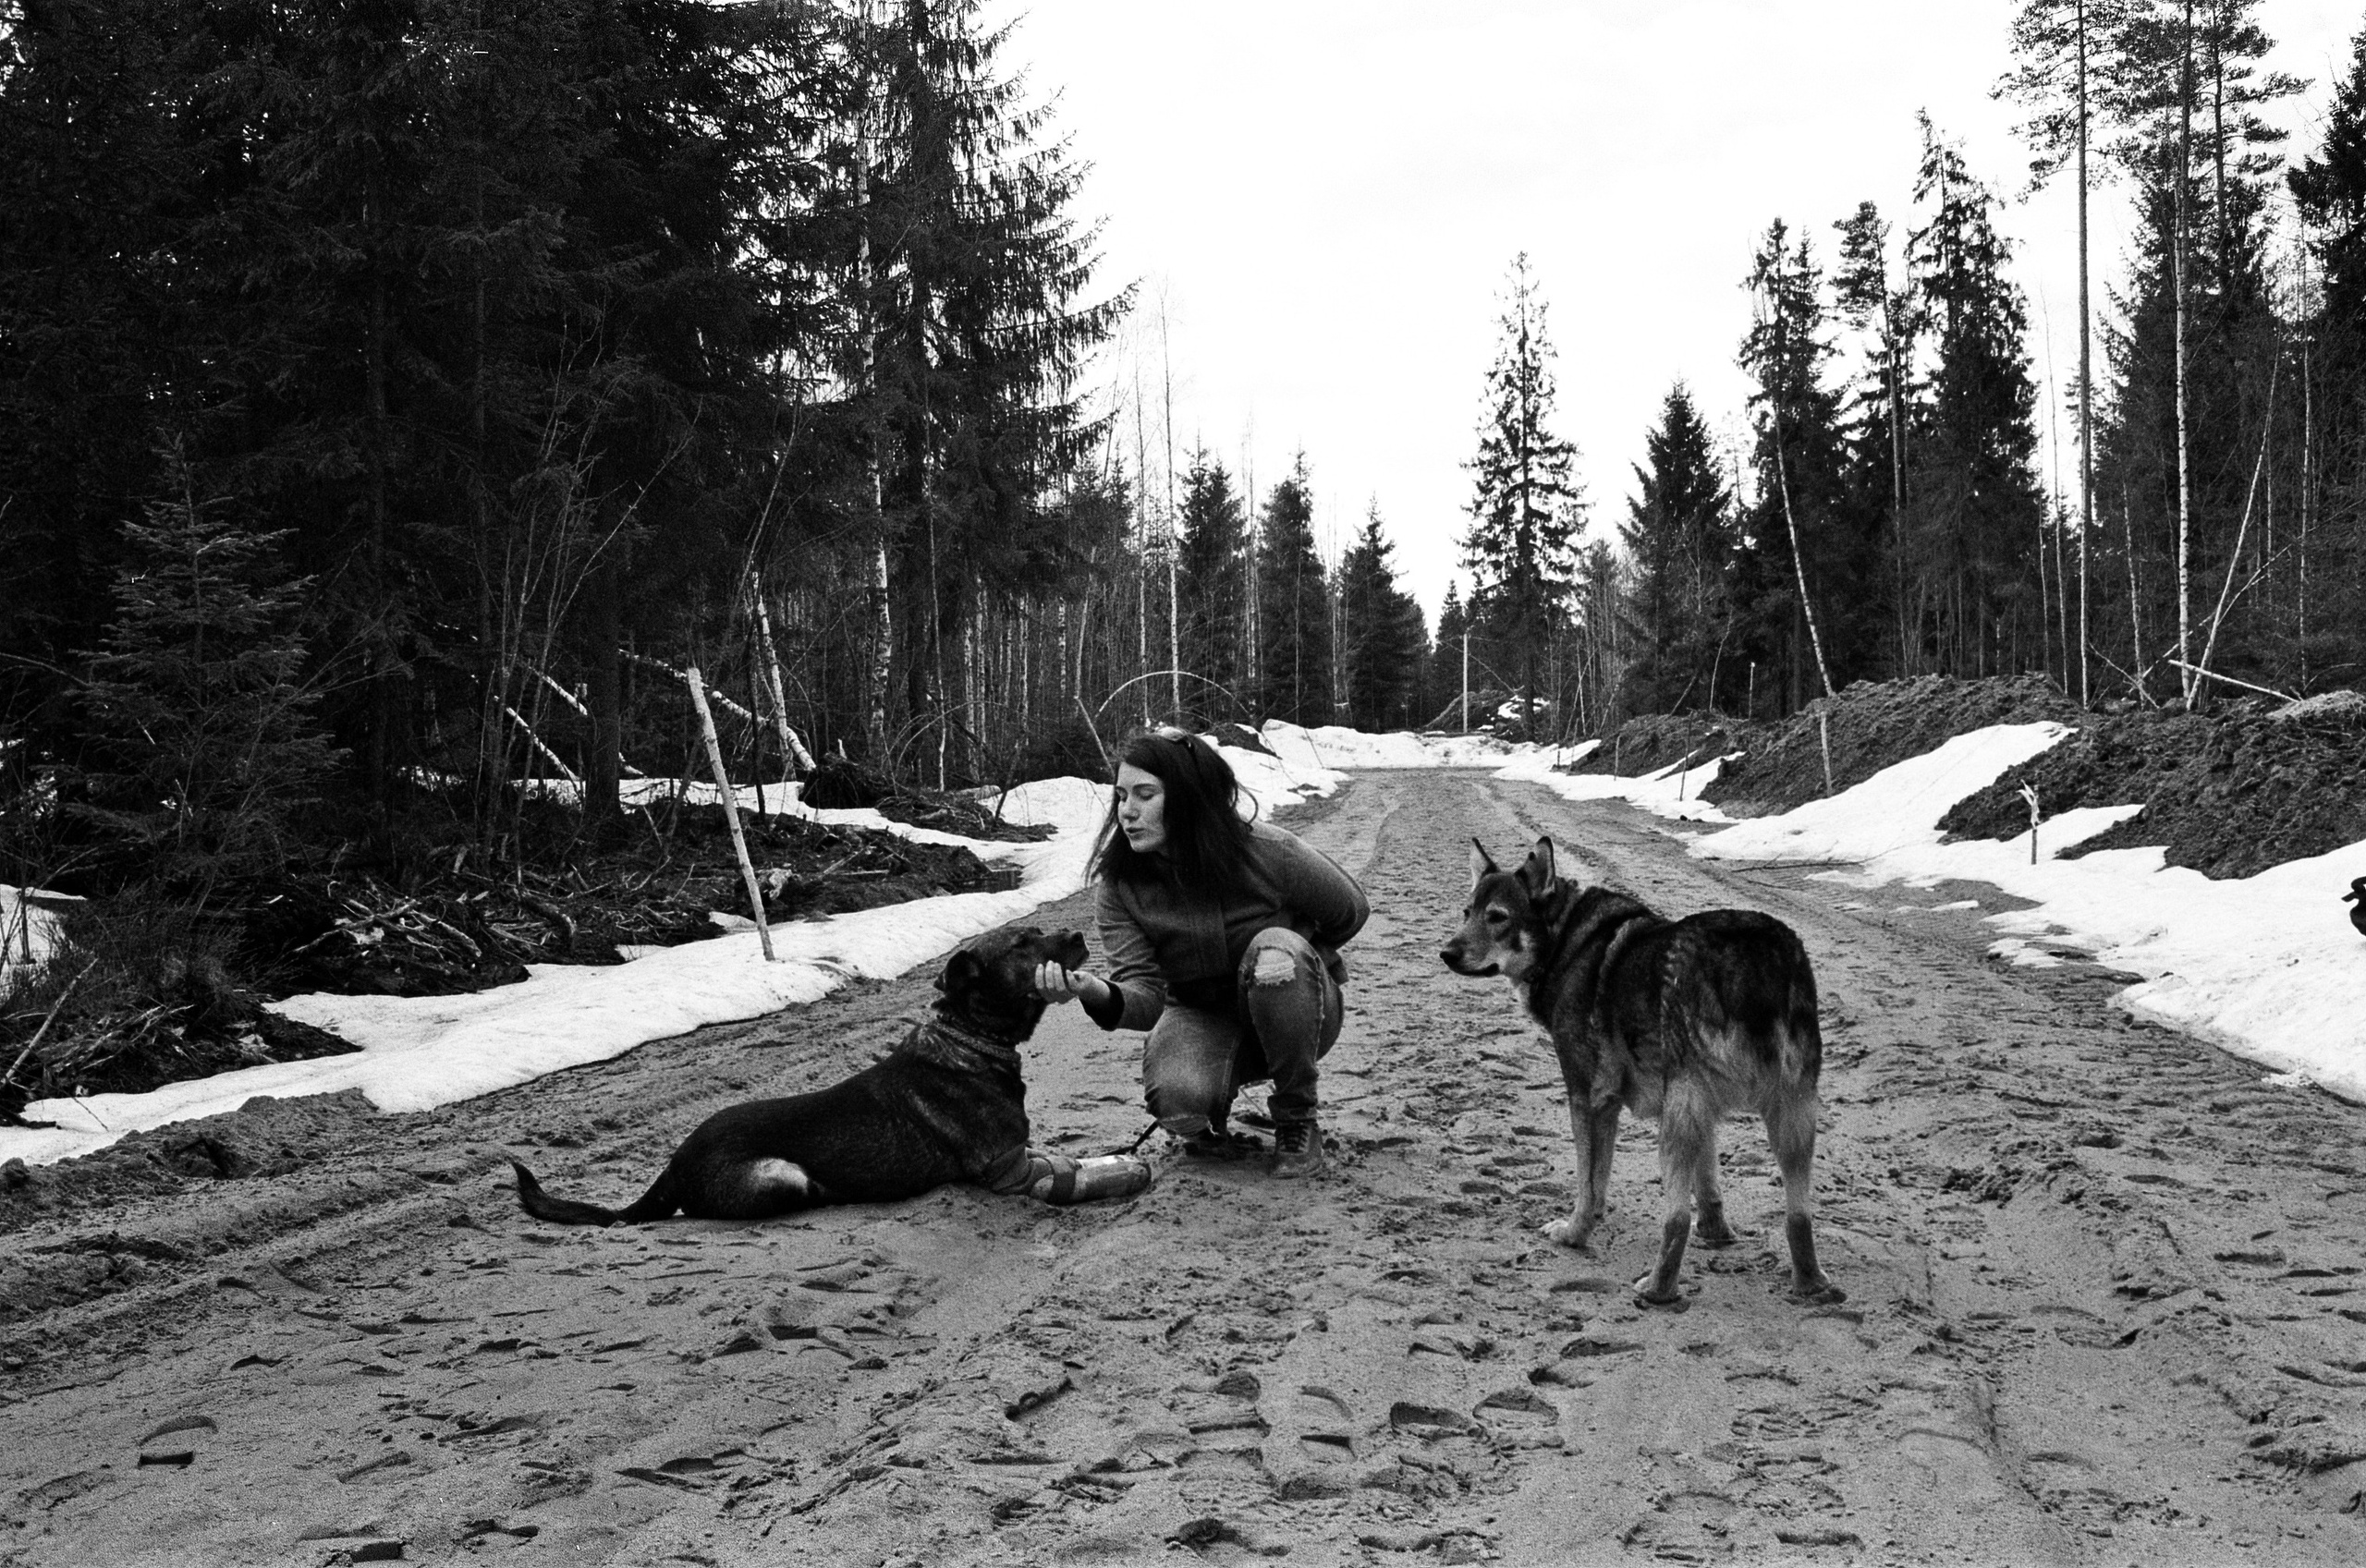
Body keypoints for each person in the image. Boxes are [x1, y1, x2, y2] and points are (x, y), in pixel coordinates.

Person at [1033, 729, 1369, 1178]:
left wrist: (1303, 961)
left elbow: (1350, 911)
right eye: (1120, 796)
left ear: (1189, 799)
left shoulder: (1269, 851)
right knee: (1177, 1102)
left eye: (1145, 795)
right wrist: (1091, 989)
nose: (1127, 812)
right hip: (1202, 1018)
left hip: (1301, 1009)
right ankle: (1210, 1112)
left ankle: (1297, 1118)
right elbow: (1147, 998)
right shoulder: (1120, 889)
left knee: (1276, 954)